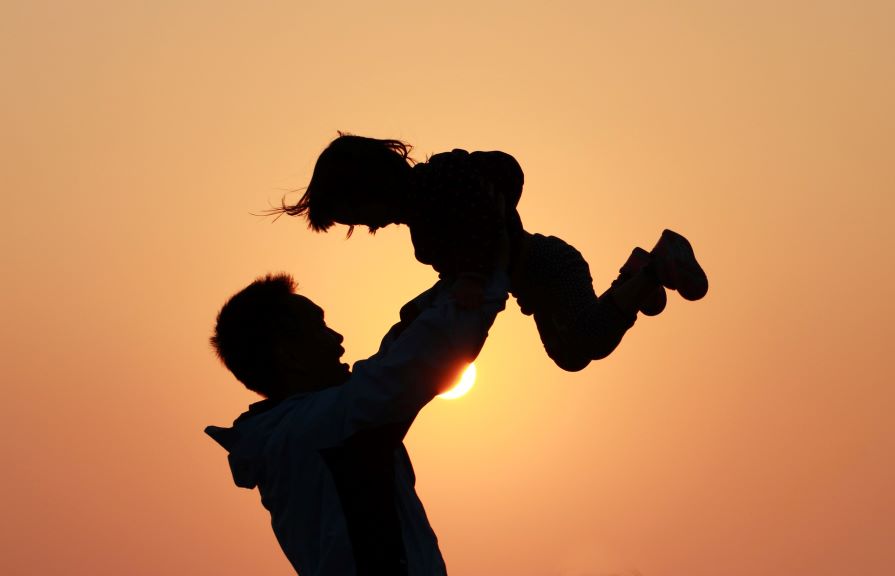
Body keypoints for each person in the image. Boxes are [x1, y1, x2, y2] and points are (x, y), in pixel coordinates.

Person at [273, 133, 708, 372]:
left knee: (589, 337)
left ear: (370, 186)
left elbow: (498, 181)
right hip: (530, 286)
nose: (367, 225)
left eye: (356, 213)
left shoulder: (440, 181)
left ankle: (654, 268)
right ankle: (634, 278)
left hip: (548, 265)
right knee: (571, 356)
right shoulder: (424, 221)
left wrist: (475, 274)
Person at [205, 265, 508, 575]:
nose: (338, 338)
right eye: (319, 327)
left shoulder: (298, 432)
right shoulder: (326, 426)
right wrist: (486, 273)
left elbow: (399, 352)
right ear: (290, 357)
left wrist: (458, 279)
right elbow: (423, 356)